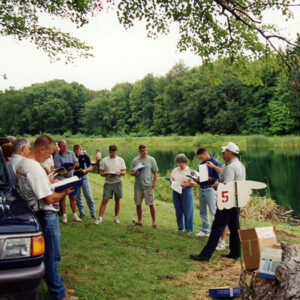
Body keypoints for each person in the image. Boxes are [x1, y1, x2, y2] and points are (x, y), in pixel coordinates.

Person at [15, 135, 78, 300]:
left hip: (36, 212)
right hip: (46, 214)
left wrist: (49, 181)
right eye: (49, 153)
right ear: (41, 148)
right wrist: (64, 192)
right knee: (52, 256)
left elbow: (35, 187)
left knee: (50, 255)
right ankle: (58, 293)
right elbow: (48, 199)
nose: (49, 157)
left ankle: (58, 286)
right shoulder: (34, 167)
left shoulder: (23, 163)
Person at [190, 142, 246, 262]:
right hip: (236, 201)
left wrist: (217, 189)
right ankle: (235, 252)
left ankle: (205, 255)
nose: (223, 154)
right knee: (234, 227)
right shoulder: (238, 164)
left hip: (228, 202)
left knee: (217, 227)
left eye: (224, 152)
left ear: (230, 153)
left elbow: (226, 186)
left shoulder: (231, 167)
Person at [95, 145, 126, 225]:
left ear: (116, 151)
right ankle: (100, 218)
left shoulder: (120, 160)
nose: (113, 153)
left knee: (117, 200)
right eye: (111, 152)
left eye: (114, 152)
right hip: (108, 183)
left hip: (118, 182)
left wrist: (119, 173)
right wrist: (105, 174)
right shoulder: (105, 160)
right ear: (109, 151)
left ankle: (116, 217)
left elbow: (124, 172)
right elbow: (101, 172)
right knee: (104, 200)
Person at [195, 148, 222, 238]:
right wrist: (196, 179)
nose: (201, 159)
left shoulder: (215, 163)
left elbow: (219, 178)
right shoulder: (201, 164)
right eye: (199, 158)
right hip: (202, 188)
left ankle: (217, 232)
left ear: (206, 153)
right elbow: (200, 177)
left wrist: (210, 178)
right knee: (203, 210)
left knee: (213, 210)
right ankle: (205, 230)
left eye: (201, 157)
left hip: (210, 189)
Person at [130, 144, 158, 228]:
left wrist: (154, 183)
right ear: (139, 151)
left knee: (151, 204)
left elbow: (155, 172)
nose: (144, 152)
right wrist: (135, 173)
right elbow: (131, 172)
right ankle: (140, 221)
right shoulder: (135, 160)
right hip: (138, 186)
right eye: (142, 150)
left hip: (148, 185)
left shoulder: (151, 159)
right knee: (138, 204)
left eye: (145, 150)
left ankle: (154, 222)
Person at [54, 139, 81, 223]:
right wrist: (66, 169)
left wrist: (74, 166)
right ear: (59, 146)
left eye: (65, 145)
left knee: (72, 195)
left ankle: (75, 215)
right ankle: (64, 215)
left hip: (70, 176)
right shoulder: (57, 156)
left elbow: (77, 163)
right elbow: (58, 170)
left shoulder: (71, 153)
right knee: (63, 196)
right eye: (62, 146)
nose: (64, 147)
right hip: (62, 177)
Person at [170, 154, 196, 233]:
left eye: (181, 163)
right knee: (178, 209)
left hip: (186, 191)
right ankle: (180, 227)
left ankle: (189, 229)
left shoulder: (191, 171)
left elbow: (194, 183)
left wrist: (186, 184)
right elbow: (171, 179)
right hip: (176, 190)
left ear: (185, 162)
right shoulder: (175, 170)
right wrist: (172, 180)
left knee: (188, 210)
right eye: (178, 163)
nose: (179, 164)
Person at [73, 144, 96, 219]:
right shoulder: (72, 157)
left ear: (80, 149)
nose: (77, 152)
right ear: (74, 150)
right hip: (75, 178)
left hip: (84, 177)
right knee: (77, 196)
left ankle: (93, 213)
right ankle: (81, 212)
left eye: (78, 151)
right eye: (75, 151)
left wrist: (85, 170)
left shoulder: (85, 156)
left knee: (88, 195)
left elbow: (90, 167)